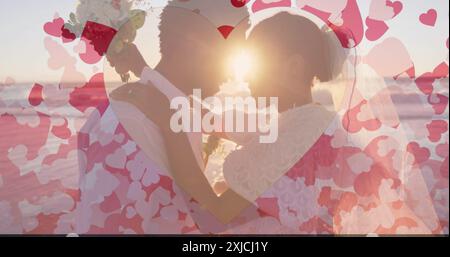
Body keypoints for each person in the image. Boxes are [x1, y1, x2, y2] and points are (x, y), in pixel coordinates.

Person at [146, 11, 442, 234]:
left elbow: (216, 213)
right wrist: (152, 80)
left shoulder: (295, 135)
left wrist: (171, 134)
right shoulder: (310, 121)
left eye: (257, 65)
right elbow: (220, 121)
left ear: (293, 67)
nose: (244, 77)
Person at [76, 1, 251, 234]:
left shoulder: (171, 111)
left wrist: (145, 71)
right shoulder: (133, 125)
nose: (233, 73)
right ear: (193, 43)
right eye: (232, 50)